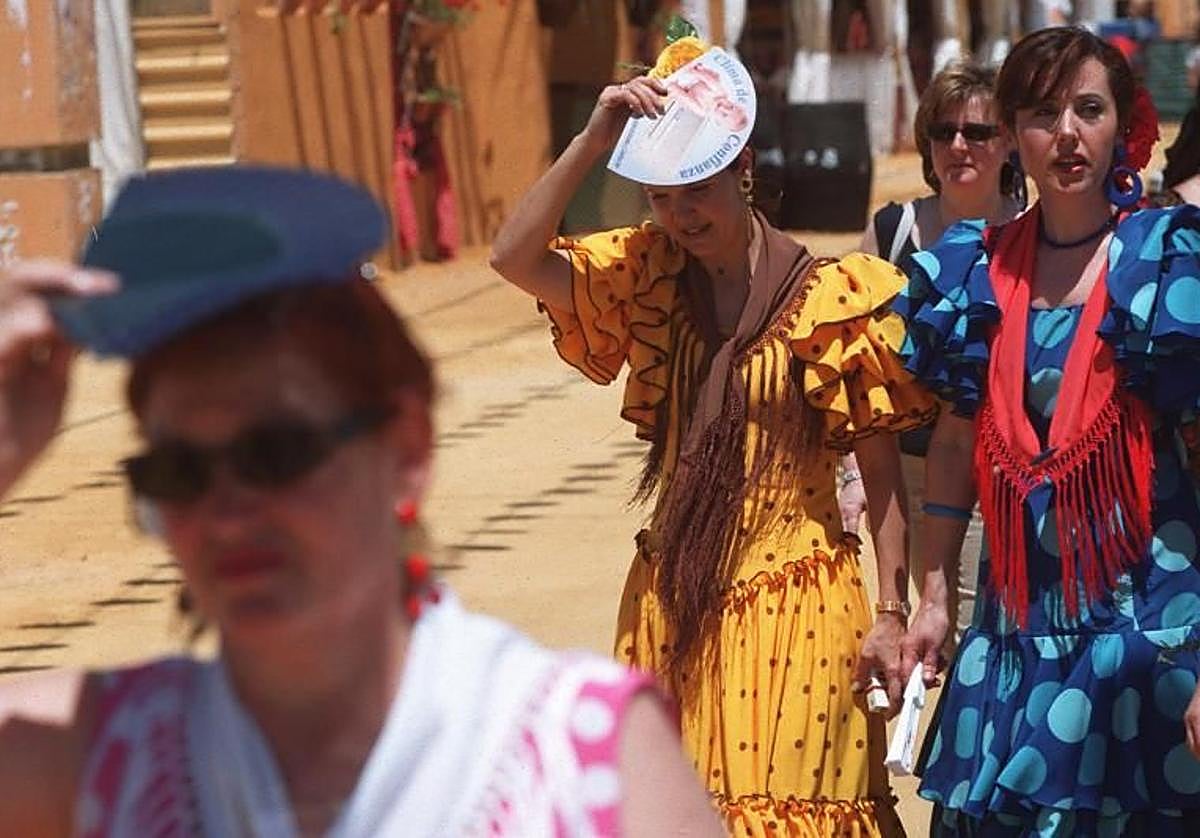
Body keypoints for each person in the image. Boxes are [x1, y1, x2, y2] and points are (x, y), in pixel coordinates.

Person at [0, 166, 722, 836]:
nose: (225, 514)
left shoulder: (580, 766)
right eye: (179, 473)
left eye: (276, 456)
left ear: (406, 448)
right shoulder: (105, 757)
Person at [490, 34, 934, 836]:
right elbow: (514, 257)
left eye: (695, 185)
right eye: (660, 194)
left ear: (743, 170)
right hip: (676, 601)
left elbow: (884, 471)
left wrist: (893, 614)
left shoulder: (831, 298)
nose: (679, 213)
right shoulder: (651, 275)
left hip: (798, 604)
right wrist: (594, 138)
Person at [897, 27, 1200, 835]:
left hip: (1149, 643)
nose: (1067, 132)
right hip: (1012, 635)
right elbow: (957, 444)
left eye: (1089, 109)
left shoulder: (1167, 262)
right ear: (1010, 138)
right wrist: (933, 597)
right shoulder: (973, 269)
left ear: (1120, 125)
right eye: (1041, 112)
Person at [858, 60, 1023, 650]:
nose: (959, 145)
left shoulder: (1034, 236)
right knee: (899, 638)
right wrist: (853, 473)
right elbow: (855, 365)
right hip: (899, 478)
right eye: (943, 131)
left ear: (1008, 141)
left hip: (995, 480)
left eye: (977, 132)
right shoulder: (892, 232)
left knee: (974, 641)